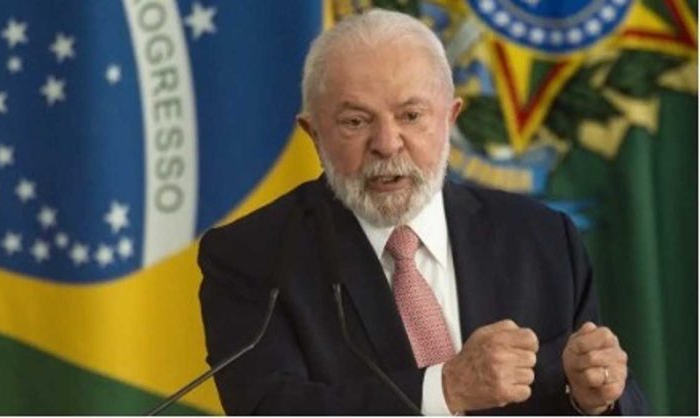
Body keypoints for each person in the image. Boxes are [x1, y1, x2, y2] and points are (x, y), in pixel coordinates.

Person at [199, 9, 647, 415]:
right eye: (355, 121)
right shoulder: (254, 258)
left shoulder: (542, 239)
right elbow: (270, 408)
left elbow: (604, 389)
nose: (386, 144)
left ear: (450, 118)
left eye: (411, 116)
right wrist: (444, 390)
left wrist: (592, 401)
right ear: (313, 133)